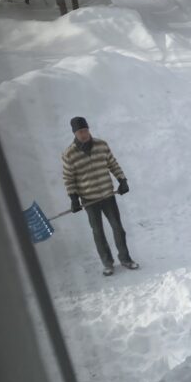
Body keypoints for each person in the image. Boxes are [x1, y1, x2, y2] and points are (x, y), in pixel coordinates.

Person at [62, 116, 139, 276]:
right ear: (74, 133)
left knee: (118, 228)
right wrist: (74, 198)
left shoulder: (101, 145)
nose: (83, 134)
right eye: (80, 132)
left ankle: (125, 259)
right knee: (98, 232)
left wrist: (122, 180)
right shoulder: (69, 154)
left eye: (85, 130)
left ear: (88, 130)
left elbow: (112, 163)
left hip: (107, 195)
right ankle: (108, 263)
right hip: (89, 199)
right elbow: (69, 178)